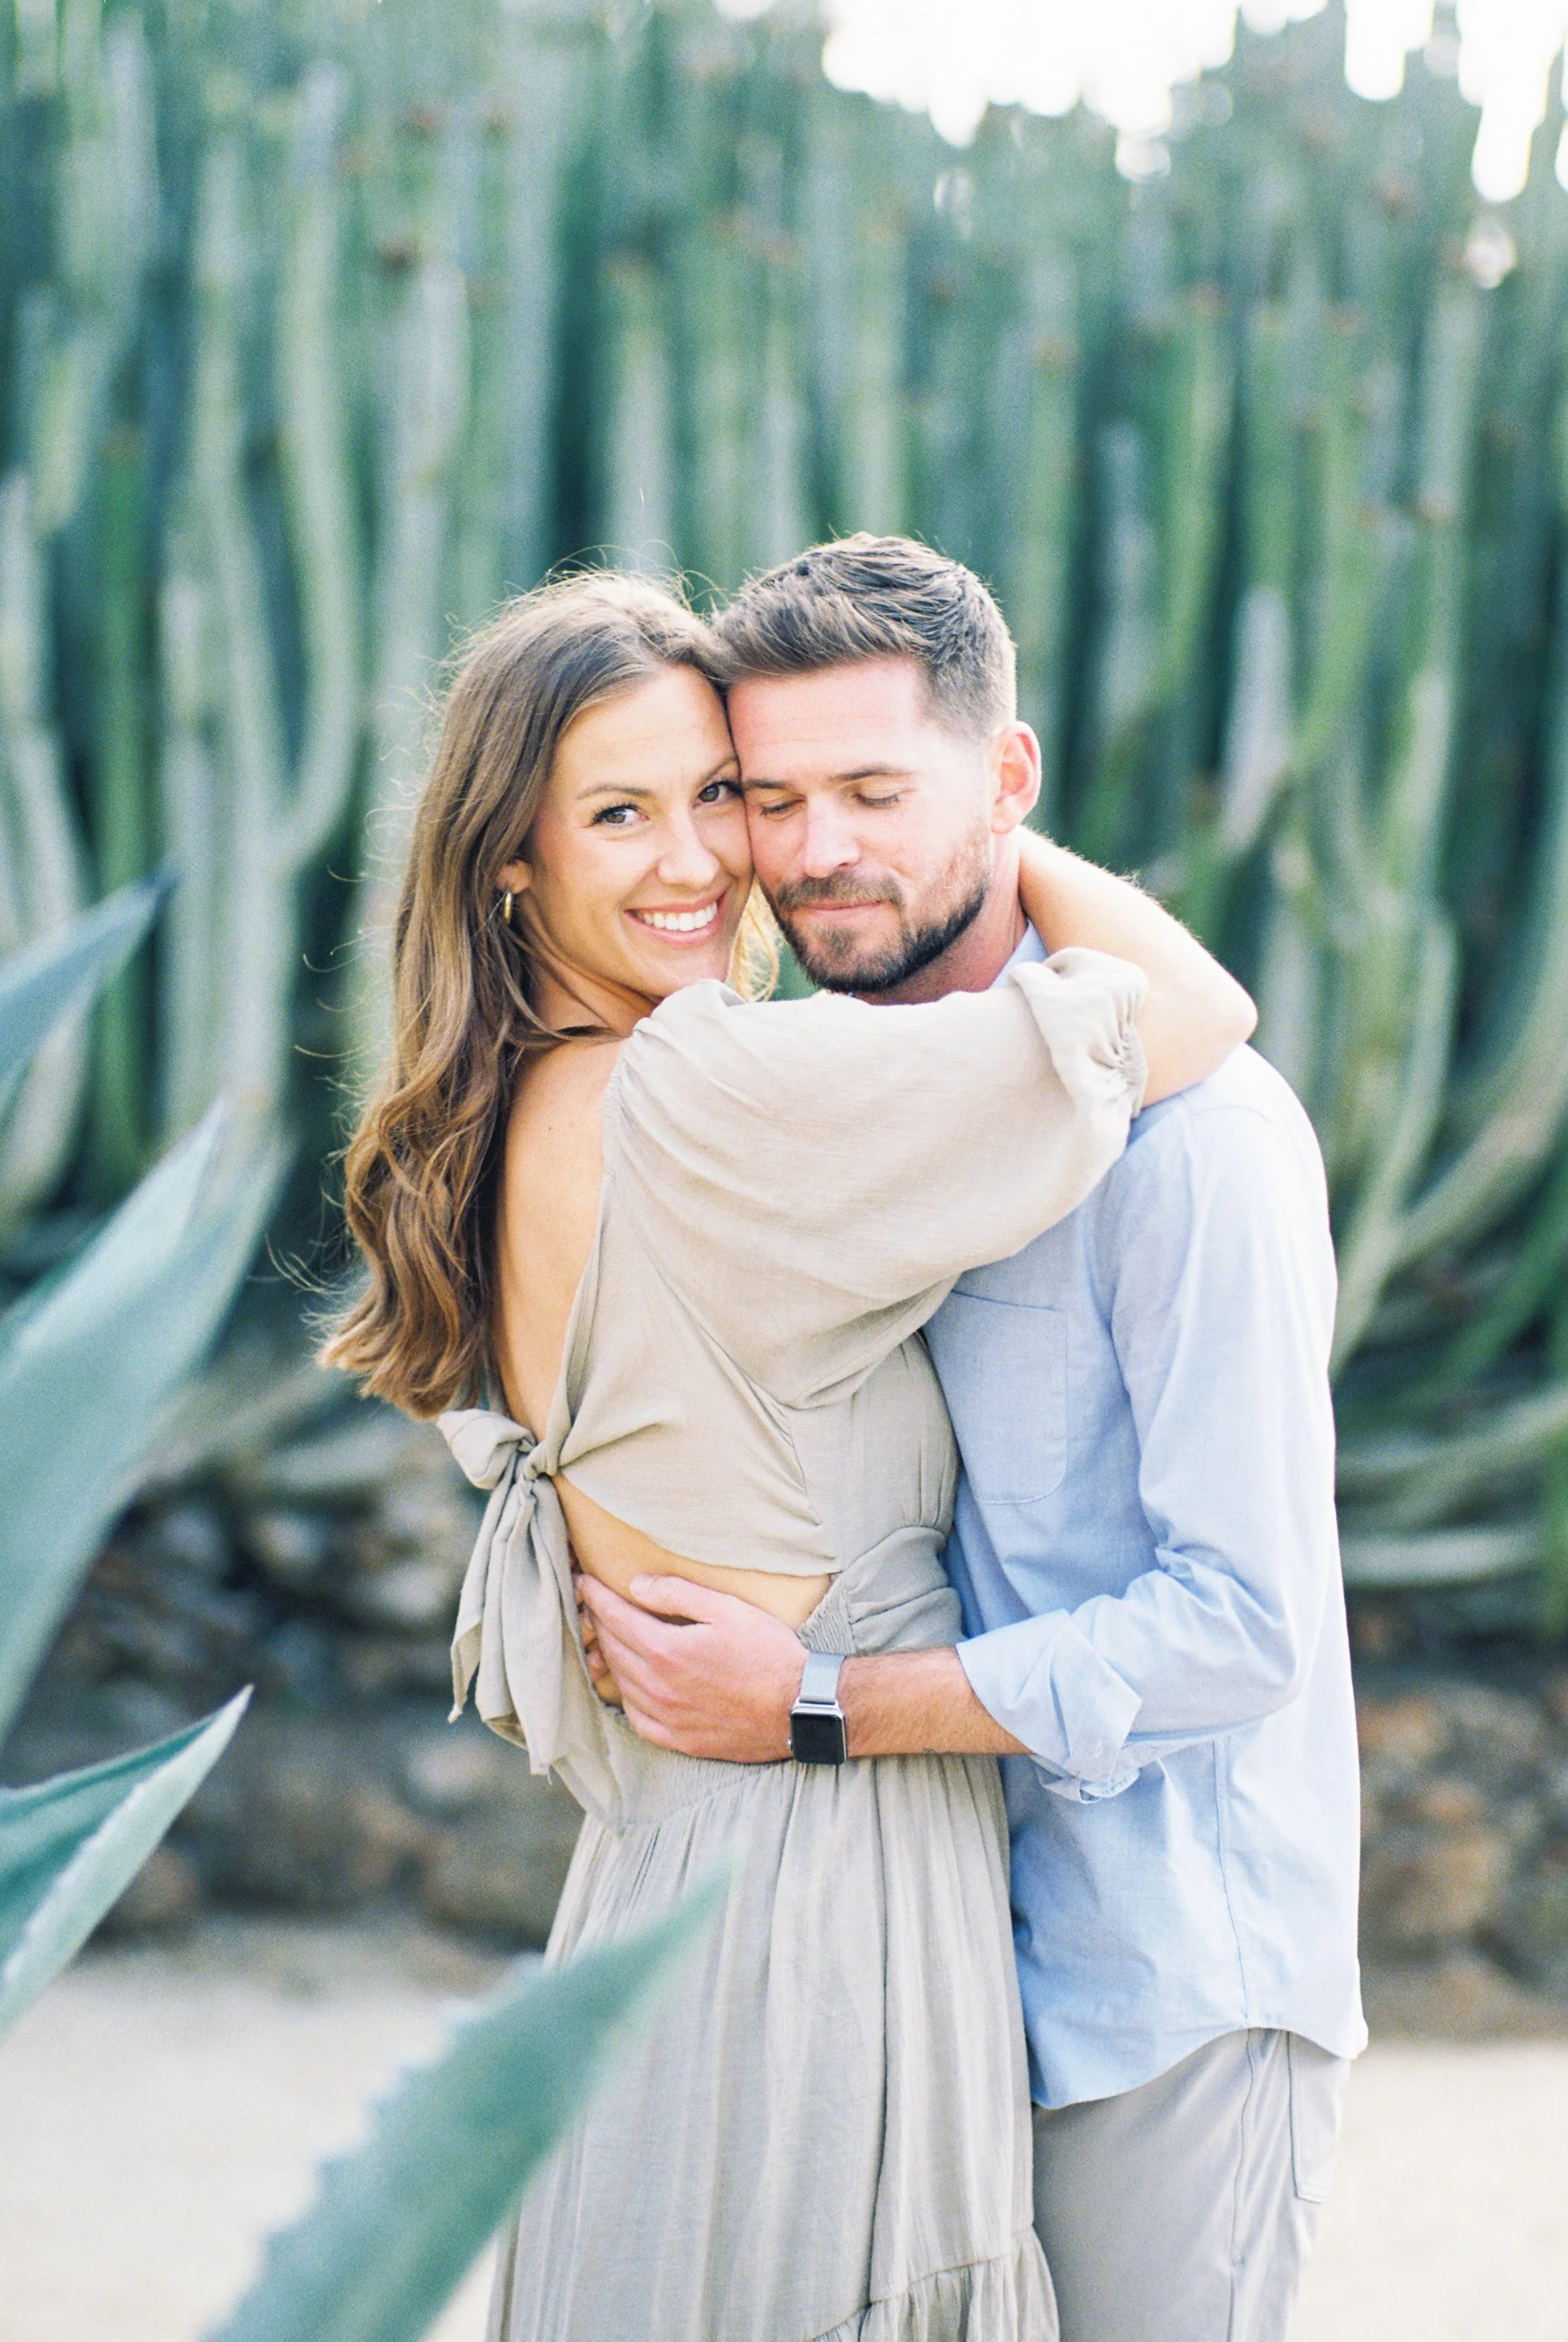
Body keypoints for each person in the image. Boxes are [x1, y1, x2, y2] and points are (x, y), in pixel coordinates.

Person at [324, 568, 1254, 2342]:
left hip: (679, 1875)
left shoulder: (541, 1100)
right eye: (619, 813)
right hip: (817, 1888)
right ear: (508, 857)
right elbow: (1187, 1014)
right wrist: (994, 817)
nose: (702, 861)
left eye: (718, 797)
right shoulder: (700, 1095)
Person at [580, 535, 1365, 2342]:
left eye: (874, 788)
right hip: (919, 1961)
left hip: (1160, 1989)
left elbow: (1239, 1623)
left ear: (1006, 779)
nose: (815, 851)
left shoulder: (1201, 1152)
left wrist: (815, 1704)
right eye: (768, 798)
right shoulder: (845, 1107)